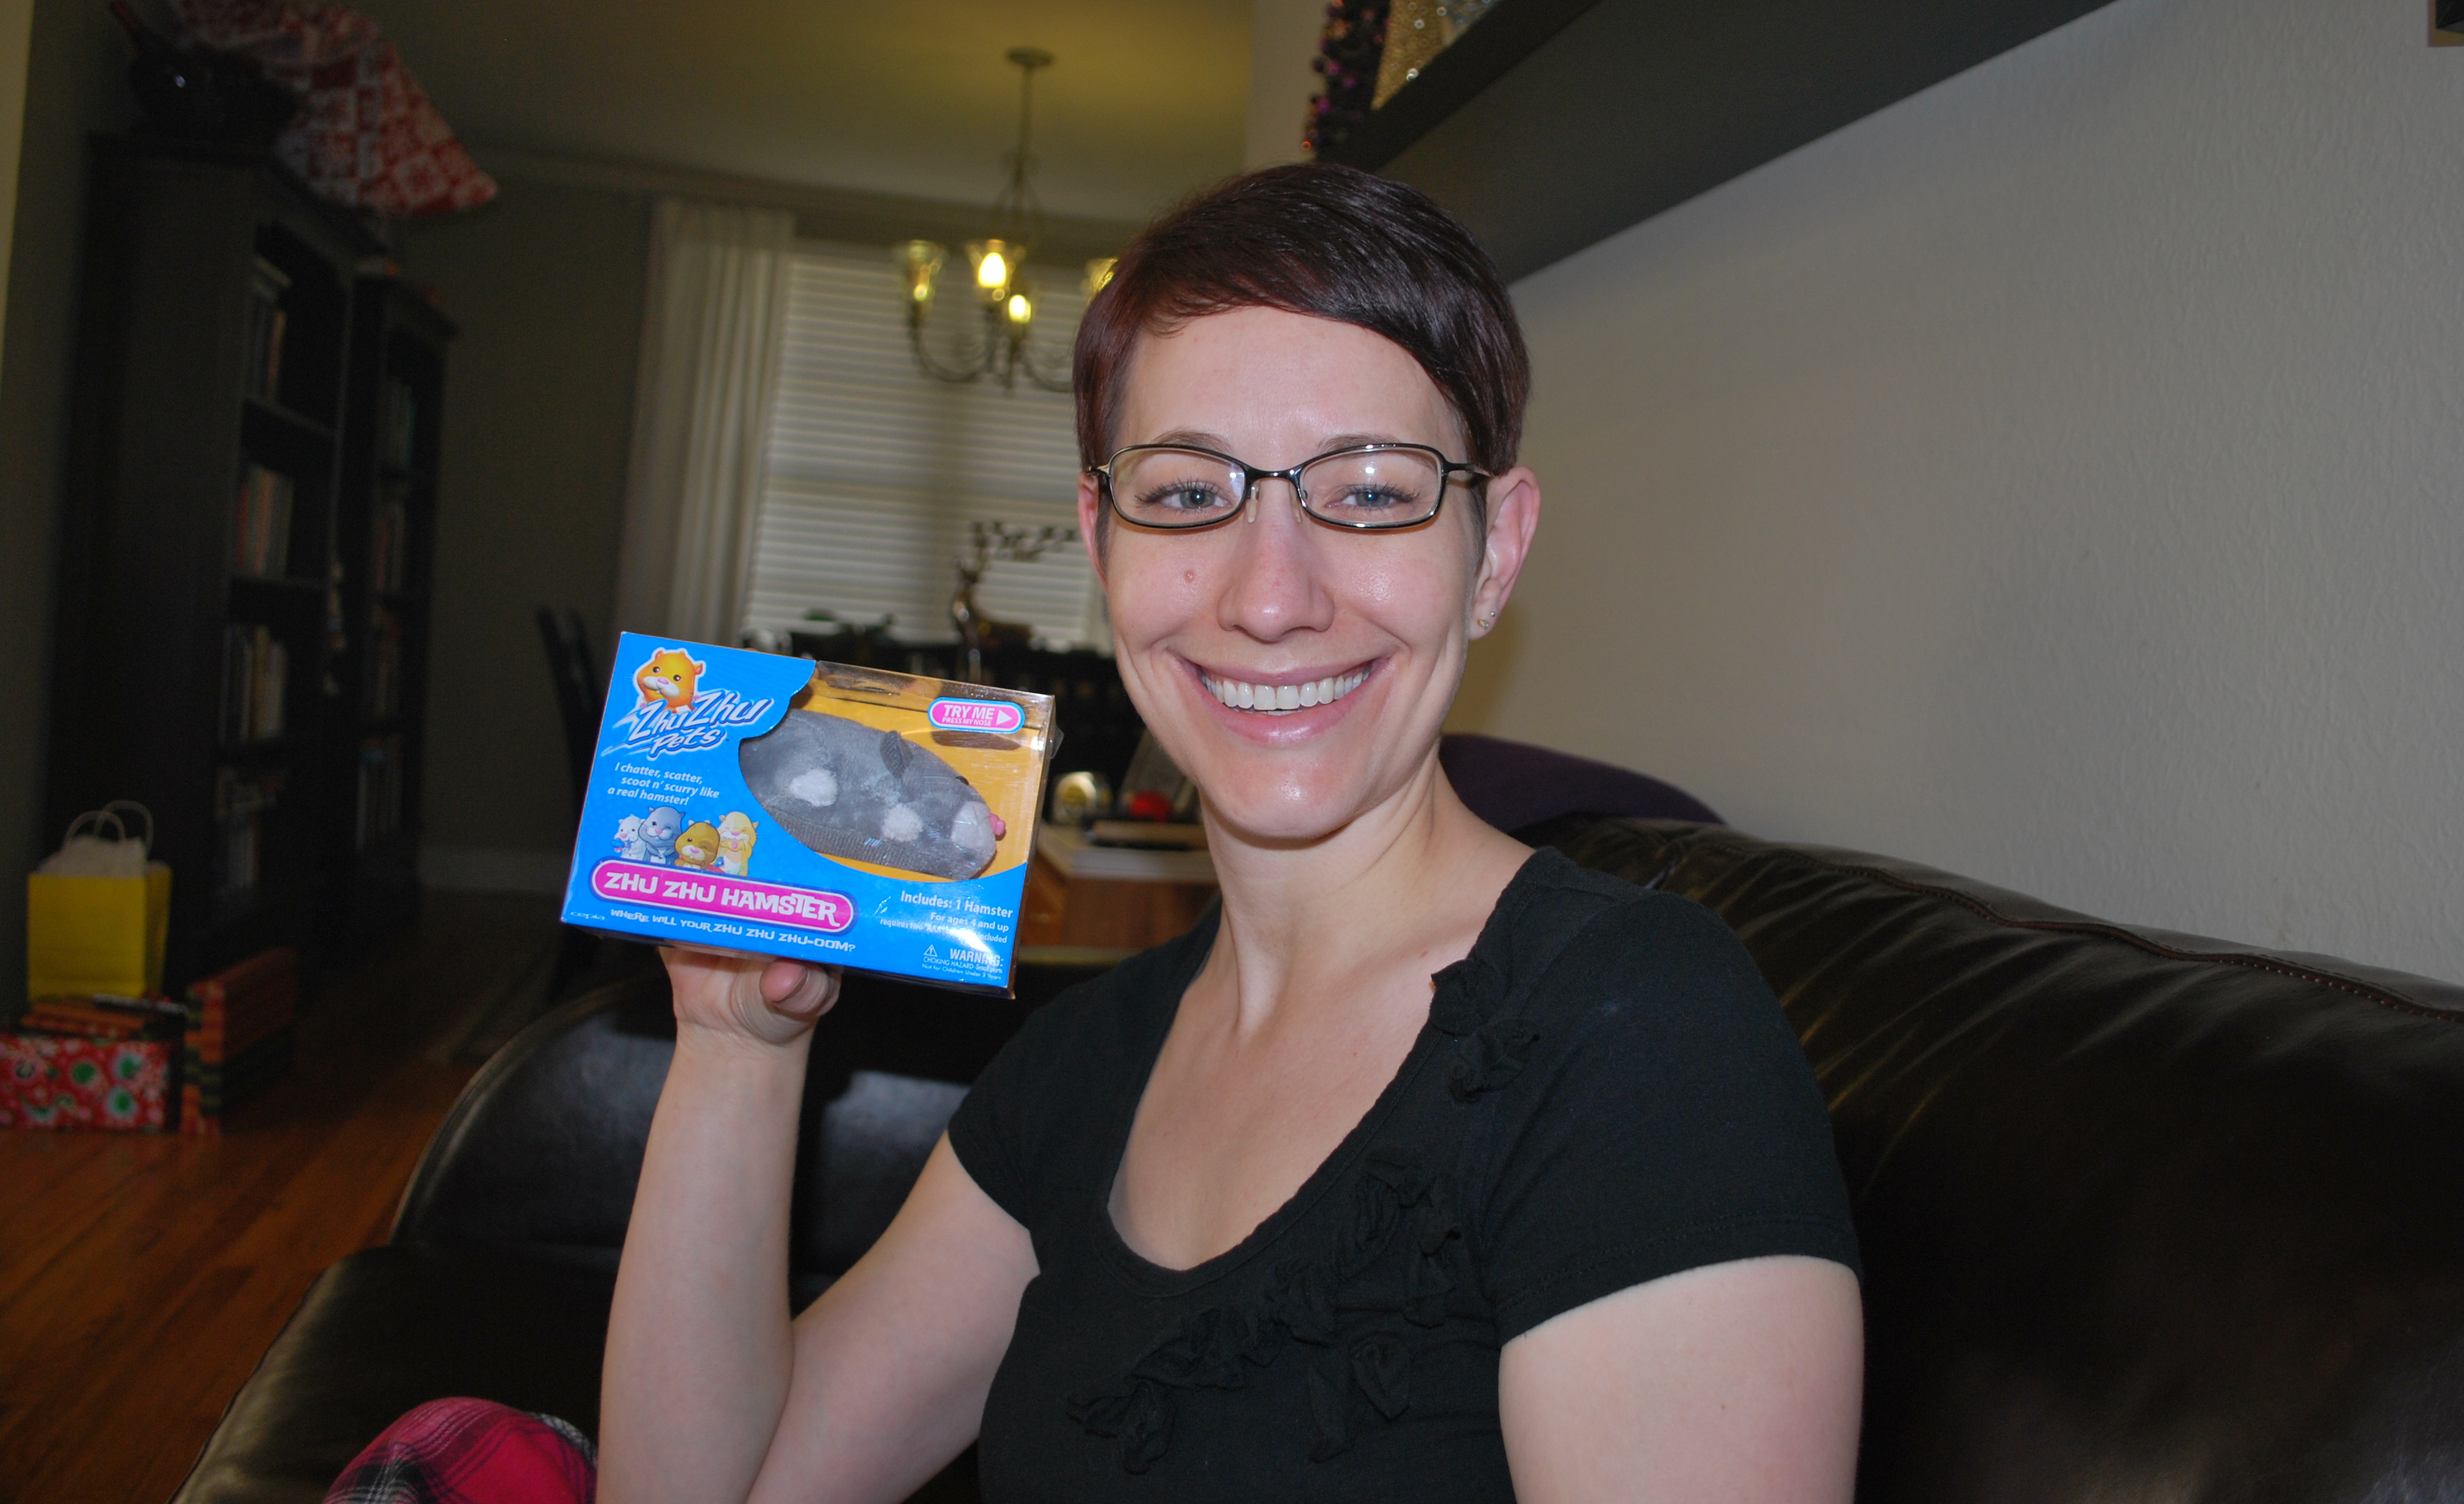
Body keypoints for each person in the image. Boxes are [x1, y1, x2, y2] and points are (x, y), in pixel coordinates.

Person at [326, 163, 1863, 1504]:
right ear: (1100, 544)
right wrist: (737, 1049)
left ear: (1493, 550)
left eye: (1370, 491)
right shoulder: (1082, 1065)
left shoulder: (1635, 1029)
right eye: (1188, 495)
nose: (1270, 595)